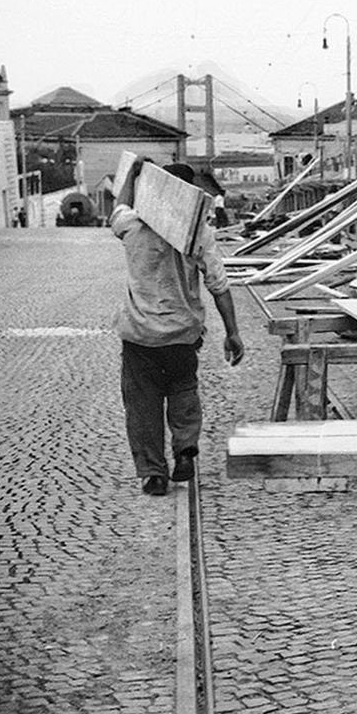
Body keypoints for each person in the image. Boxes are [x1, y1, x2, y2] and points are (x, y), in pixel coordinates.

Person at [112, 159, 244, 496]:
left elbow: (118, 207)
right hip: (182, 334)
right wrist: (233, 333)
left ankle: (153, 474)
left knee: (142, 405)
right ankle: (185, 448)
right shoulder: (199, 232)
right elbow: (219, 285)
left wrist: (134, 175)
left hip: (140, 334)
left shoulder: (133, 225)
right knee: (184, 391)